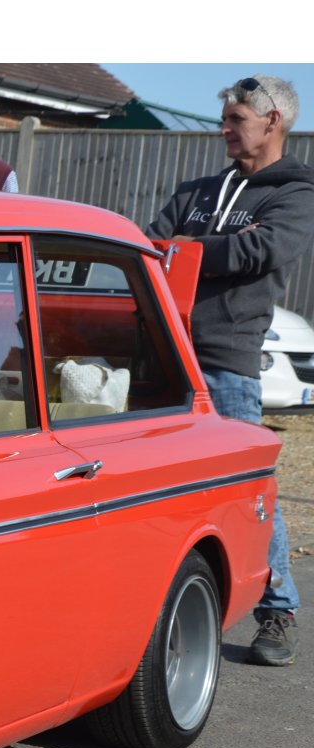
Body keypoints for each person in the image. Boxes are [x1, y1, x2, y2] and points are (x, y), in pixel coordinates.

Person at [147, 74, 314, 666]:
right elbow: (149, 245)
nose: (224, 130)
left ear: (274, 122)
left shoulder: (294, 192)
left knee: (248, 493)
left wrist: (189, 250)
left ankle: (277, 610)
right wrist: (205, 245)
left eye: (236, 120)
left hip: (225, 361)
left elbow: (259, 251)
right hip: (161, 353)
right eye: (224, 119)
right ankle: (162, 601)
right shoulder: (197, 190)